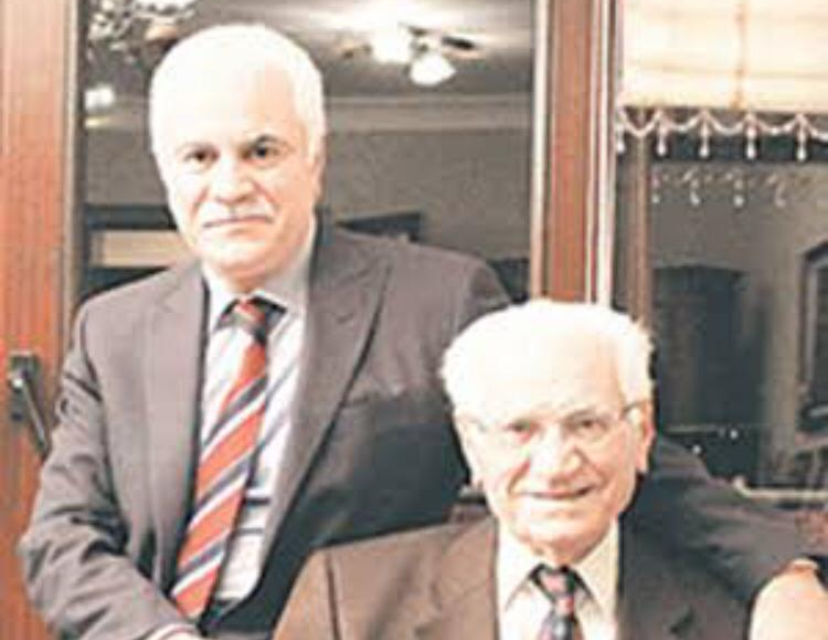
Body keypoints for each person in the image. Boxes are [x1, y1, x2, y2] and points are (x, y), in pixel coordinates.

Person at [17, 23, 824, 640]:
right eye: (199, 157)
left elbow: (583, 441)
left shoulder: (435, 299)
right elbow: (62, 538)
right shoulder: (113, 329)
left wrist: (780, 569)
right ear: (167, 172)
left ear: (314, 160)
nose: (230, 185)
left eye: (262, 151)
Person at [274, 301, 828, 640]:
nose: (556, 465)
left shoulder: (739, 614)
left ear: (641, 433)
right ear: (471, 443)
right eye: (520, 429)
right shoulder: (349, 604)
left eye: (587, 424)